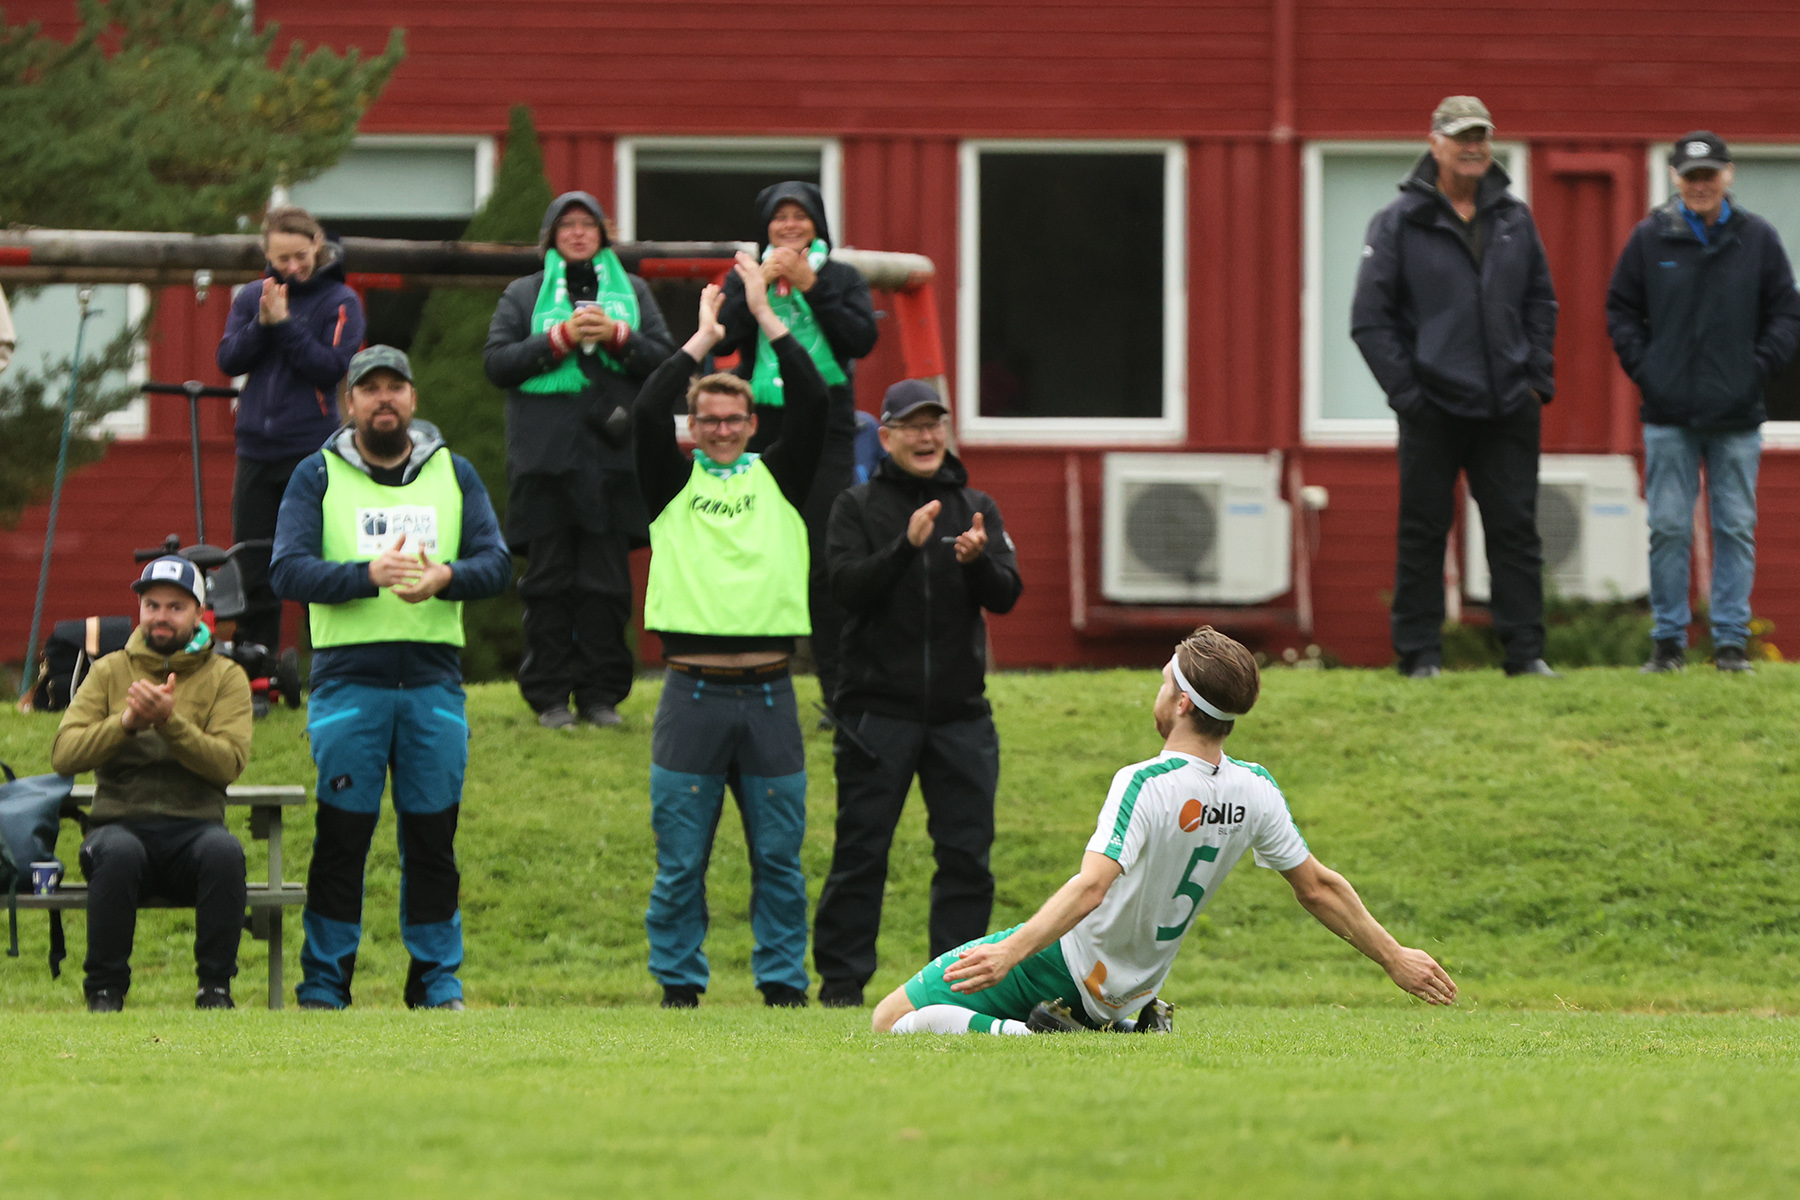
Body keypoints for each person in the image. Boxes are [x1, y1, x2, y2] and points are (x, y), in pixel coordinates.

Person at [871, 627, 1458, 1036]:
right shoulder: (1255, 787)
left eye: (1161, 684)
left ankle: (1041, 1036)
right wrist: (1394, 957)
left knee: (891, 1019)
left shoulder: (1144, 781)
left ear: (1180, 702)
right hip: (1129, 988)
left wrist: (1010, 952)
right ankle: (1118, 1025)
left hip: (1064, 966)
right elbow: (1319, 888)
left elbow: (1091, 888)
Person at [270, 346, 511, 1010]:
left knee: (433, 841)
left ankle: (436, 981)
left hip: (434, 685)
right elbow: (286, 570)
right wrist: (365, 577)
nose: (383, 399)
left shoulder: (454, 472)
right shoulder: (314, 476)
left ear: (412, 399)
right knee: (343, 840)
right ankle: (325, 983)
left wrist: (447, 577)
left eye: (394, 387)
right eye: (368, 388)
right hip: (350, 684)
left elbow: (498, 563)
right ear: (349, 403)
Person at [630, 255, 828, 1009]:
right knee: (682, 861)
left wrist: (765, 314)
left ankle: (782, 986)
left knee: (778, 858)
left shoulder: (779, 477)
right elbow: (648, 412)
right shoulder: (670, 483)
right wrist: (703, 339)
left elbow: (813, 400)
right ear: (695, 426)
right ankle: (680, 987)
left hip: (771, 696)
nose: (718, 430)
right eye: (706, 420)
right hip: (692, 695)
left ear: (751, 424)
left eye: (732, 420)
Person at [811, 379, 1023, 1009]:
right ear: (887, 437)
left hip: (960, 717)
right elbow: (844, 588)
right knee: (861, 850)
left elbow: (1007, 594)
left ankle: (951, 992)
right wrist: (905, 546)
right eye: (912, 426)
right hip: (877, 714)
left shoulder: (976, 504)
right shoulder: (857, 505)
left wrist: (978, 561)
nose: (927, 436)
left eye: (936, 424)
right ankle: (842, 986)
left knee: (966, 858)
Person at [1351, 96, 1560, 679]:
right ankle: (1419, 655)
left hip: (1508, 407)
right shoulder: (1398, 223)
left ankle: (1525, 655)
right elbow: (1370, 320)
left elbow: (1541, 301)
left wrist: (1535, 379)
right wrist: (1410, 396)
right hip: (1432, 409)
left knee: (1516, 530)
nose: (1473, 147)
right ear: (1435, 143)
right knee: (1423, 532)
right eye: (1461, 136)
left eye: (1481, 136)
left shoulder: (1516, 219)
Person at [1606, 132, 1800, 675]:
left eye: (1709, 175)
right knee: (1667, 526)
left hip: (1737, 415)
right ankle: (1668, 643)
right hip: (1668, 414)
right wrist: (1649, 371)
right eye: (1690, 176)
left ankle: (1731, 644)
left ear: (1728, 175)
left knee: (1735, 525)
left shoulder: (1757, 238)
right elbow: (1621, 310)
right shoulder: (1649, 239)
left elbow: (1787, 312)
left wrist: (1756, 369)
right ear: (1674, 178)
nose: (1700, 185)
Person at [484, 192, 675, 729]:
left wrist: (618, 336)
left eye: (586, 224)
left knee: (607, 586)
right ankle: (548, 698)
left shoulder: (633, 292)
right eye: (565, 225)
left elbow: (666, 360)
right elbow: (497, 364)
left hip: (613, 462)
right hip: (544, 462)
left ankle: (600, 697)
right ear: (550, 237)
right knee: (546, 585)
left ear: (602, 234)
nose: (576, 233)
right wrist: (557, 340)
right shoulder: (523, 294)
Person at [50, 555, 254, 1012]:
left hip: (195, 829)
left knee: (225, 853)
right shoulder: (109, 671)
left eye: (175, 606)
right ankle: (105, 991)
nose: (161, 615)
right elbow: (64, 754)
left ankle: (215, 990)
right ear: (140, 611)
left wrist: (169, 723)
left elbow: (229, 763)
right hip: (118, 826)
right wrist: (124, 723)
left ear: (199, 613)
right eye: (152, 605)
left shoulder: (227, 677)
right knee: (118, 853)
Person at [715, 181, 878, 714]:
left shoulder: (842, 276)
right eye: (779, 217)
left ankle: (840, 694)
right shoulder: (743, 274)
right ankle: (758, 688)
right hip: (761, 427)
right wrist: (754, 290)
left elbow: (860, 340)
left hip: (827, 428)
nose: (789, 226)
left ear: (817, 225)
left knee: (826, 562)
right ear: (765, 227)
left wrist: (811, 286)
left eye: (800, 216)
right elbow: (723, 339)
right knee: (760, 555)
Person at [216, 206, 365, 658]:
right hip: (256, 449)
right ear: (267, 254)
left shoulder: (340, 301)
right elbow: (229, 360)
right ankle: (255, 668)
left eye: (300, 256)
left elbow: (329, 367)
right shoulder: (250, 298)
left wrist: (283, 325)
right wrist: (263, 323)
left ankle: (330, 667)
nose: (293, 267)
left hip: (312, 450)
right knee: (253, 564)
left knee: (318, 561)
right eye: (282, 259)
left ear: (317, 246)